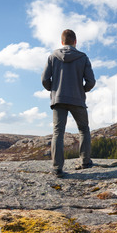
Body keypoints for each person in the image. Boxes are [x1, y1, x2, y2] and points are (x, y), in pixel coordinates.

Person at [41, 29, 96, 177]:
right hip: (77, 99)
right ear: (75, 42)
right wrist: (82, 90)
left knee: (58, 132)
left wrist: (54, 90)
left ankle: (57, 168)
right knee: (84, 129)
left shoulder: (53, 57)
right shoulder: (83, 57)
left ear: (62, 41)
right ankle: (85, 161)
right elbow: (91, 81)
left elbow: (45, 80)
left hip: (58, 99)